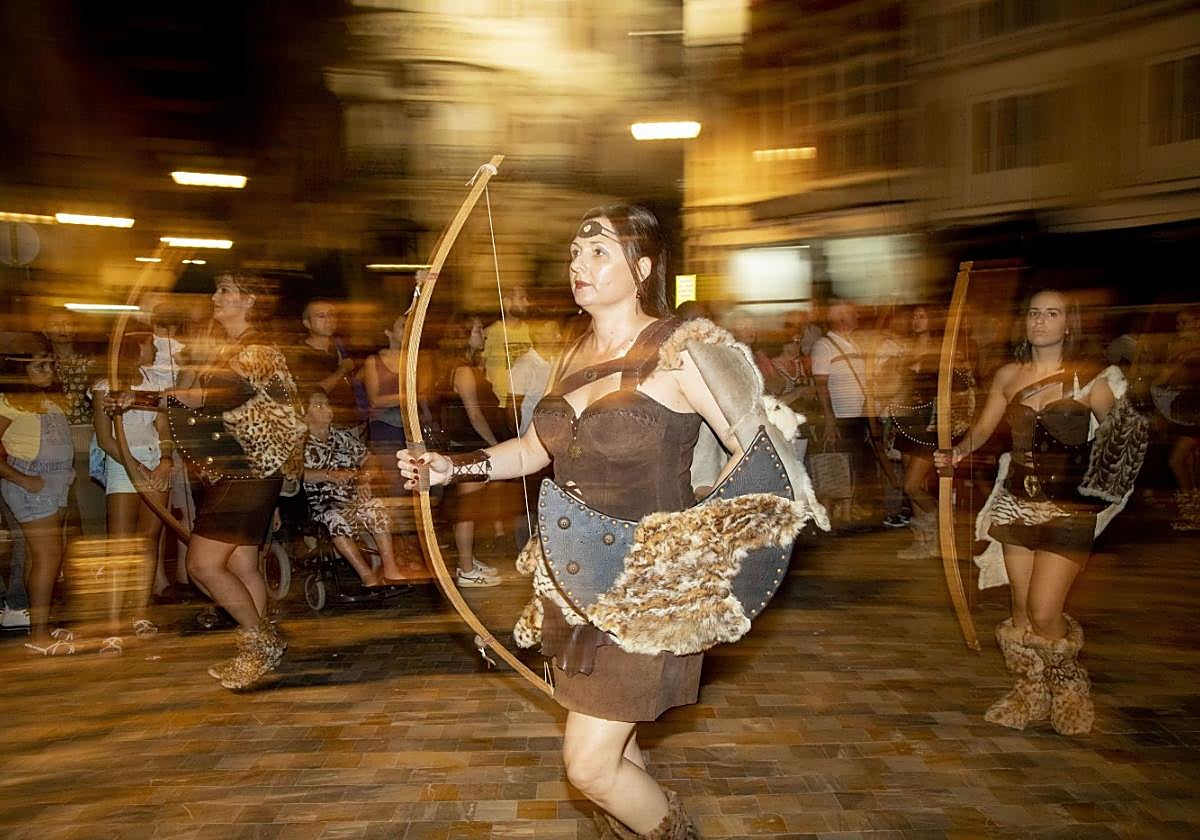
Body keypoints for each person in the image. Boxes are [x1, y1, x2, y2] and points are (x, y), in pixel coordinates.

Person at [399, 204, 824, 837]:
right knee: (617, 752)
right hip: (576, 585)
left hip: (649, 590)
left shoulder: (682, 353)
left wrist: (700, 556)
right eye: (575, 253)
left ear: (642, 266)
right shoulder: (574, 352)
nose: (580, 264)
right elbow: (535, 451)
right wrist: (449, 469)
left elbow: (759, 458)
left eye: (599, 252)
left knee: (590, 768)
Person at [936, 288, 1146, 736]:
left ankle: (1069, 687)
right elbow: (984, 429)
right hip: (1016, 504)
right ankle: (1029, 693)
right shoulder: (1010, 375)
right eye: (1034, 313)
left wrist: (1104, 467)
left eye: (1052, 314)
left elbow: (1122, 442)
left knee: (1045, 610)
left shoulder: (1093, 380)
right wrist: (955, 454)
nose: (1040, 321)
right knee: (1019, 612)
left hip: (1068, 509)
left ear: (1068, 324)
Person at [158, 272, 293, 689]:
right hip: (242, 469)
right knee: (240, 563)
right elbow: (203, 399)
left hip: (247, 469)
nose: (216, 297)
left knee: (201, 565)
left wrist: (150, 396)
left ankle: (259, 642)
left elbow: (219, 400)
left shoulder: (255, 348)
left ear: (250, 301)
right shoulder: (232, 348)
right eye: (218, 290)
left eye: (227, 291)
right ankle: (260, 645)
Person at [91, 331, 173, 653]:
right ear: (135, 346)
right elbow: (104, 437)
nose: (153, 347)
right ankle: (112, 626)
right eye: (149, 342)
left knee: (147, 540)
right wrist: (136, 467)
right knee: (120, 545)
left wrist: (165, 460)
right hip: (123, 461)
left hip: (154, 459)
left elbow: (164, 427)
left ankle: (140, 613)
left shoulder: (155, 381)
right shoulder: (104, 386)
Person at [0, 335, 76, 654]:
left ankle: (40, 624)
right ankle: (39, 636)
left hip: (55, 483)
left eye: (50, 363)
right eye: (40, 365)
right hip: (31, 482)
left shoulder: (49, 398)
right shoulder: (7, 402)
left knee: (38, 557)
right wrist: (24, 480)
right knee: (49, 558)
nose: (49, 369)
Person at [301, 389, 413, 586]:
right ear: (304, 413)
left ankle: (391, 570)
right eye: (318, 405)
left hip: (353, 497)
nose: (327, 409)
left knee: (375, 508)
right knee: (335, 519)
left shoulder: (342, 437)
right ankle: (367, 576)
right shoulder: (299, 444)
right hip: (324, 504)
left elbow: (370, 459)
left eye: (327, 404)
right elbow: (295, 474)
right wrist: (328, 475)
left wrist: (364, 479)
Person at [431, 314, 503, 588]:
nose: (482, 335)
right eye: (477, 331)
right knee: (468, 510)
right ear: (464, 336)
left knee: (470, 508)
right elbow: (474, 415)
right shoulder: (462, 371)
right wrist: (496, 446)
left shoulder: (466, 367)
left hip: (467, 444)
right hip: (469, 445)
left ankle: (469, 560)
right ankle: (466, 569)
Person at [810, 299, 871, 527]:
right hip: (840, 415)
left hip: (857, 415)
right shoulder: (823, 346)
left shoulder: (853, 343)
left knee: (853, 463)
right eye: (853, 313)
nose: (857, 316)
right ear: (843, 318)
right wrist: (829, 419)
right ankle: (836, 513)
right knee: (839, 463)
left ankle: (848, 509)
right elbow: (820, 385)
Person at [287, 298, 359, 430]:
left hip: (352, 421)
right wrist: (342, 370)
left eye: (332, 315)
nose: (329, 320)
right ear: (307, 323)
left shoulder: (340, 346)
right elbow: (313, 391)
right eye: (321, 316)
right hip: (326, 426)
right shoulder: (301, 354)